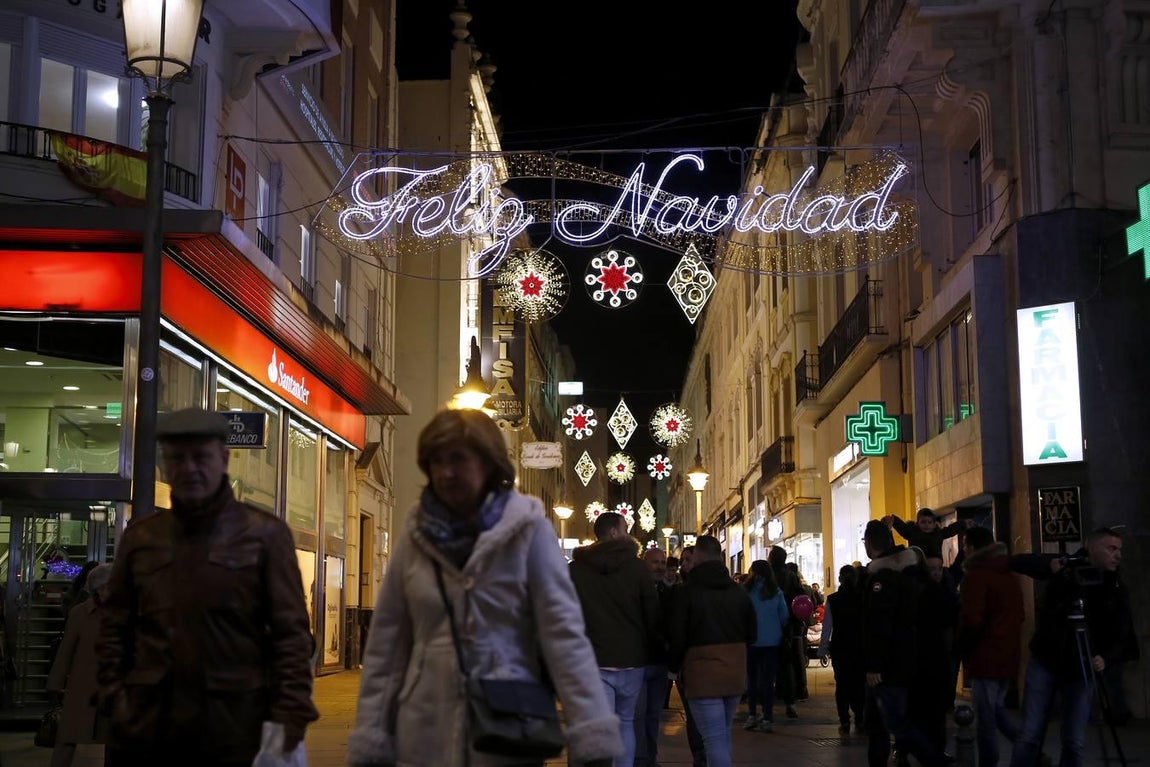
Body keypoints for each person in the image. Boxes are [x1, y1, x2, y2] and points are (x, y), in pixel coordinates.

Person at [347, 408, 621, 767]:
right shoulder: (416, 535)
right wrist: (372, 733)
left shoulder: (528, 531)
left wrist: (590, 727)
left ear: (489, 463)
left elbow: (563, 635)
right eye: (436, 461)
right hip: (424, 731)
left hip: (506, 728)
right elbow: (387, 643)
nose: (445, 472)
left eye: (458, 459)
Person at [97, 408, 318, 767]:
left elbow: (290, 634)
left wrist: (290, 713)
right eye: (177, 459)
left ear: (224, 458)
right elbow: (114, 626)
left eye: (201, 457)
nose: (188, 469)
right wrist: (115, 696)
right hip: (150, 725)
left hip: (236, 727)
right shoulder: (142, 537)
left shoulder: (264, 534)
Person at [1008, 527, 1137, 767]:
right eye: (1111, 549)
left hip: (1082, 666)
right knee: (1029, 735)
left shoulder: (1115, 586)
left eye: (1119, 550)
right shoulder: (1068, 568)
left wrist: (1104, 658)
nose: (1117, 555)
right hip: (1047, 660)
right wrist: (1050, 567)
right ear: (1092, 548)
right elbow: (1017, 562)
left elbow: (1123, 633)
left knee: (1074, 741)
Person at [570, 512, 660, 767]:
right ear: (613, 532)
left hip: (593, 659)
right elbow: (651, 613)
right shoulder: (638, 568)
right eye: (625, 528)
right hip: (631, 658)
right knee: (626, 723)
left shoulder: (577, 569)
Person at [861, 519, 944, 767]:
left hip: (890, 663)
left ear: (869, 545)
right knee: (893, 718)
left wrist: (874, 663)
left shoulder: (882, 578)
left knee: (891, 721)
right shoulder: (915, 572)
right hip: (917, 657)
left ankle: (933, 758)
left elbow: (880, 623)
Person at [667, 535, 755, 767]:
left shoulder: (686, 593)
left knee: (713, 740)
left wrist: (673, 668)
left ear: (698, 557)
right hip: (734, 671)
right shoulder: (739, 593)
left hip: (702, 673)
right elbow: (752, 633)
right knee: (722, 735)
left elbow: (677, 636)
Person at [957, 525, 1024, 767]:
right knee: (996, 708)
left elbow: (972, 618)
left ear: (973, 548)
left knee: (986, 717)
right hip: (1007, 654)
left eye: (964, 545)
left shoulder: (977, 576)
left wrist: (962, 646)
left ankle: (992, 760)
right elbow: (1020, 615)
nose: (963, 550)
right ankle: (1028, 747)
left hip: (985, 656)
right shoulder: (1007, 575)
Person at [47, 563, 113, 767]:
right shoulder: (79, 614)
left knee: (115, 738)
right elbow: (65, 652)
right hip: (83, 686)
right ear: (99, 589)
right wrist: (55, 684)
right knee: (69, 735)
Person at [818, 564, 866, 735]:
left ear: (839, 579)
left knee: (843, 685)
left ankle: (844, 720)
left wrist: (822, 649)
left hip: (840, 648)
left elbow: (827, 627)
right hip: (860, 647)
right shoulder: (863, 598)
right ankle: (860, 716)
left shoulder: (833, 600)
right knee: (860, 684)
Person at [635, 548, 672, 767]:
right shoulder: (635, 590)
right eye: (655, 562)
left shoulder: (667, 591)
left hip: (658, 662)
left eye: (663, 562)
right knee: (638, 715)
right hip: (638, 662)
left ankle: (650, 757)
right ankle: (640, 759)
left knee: (653, 715)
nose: (660, 566)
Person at [742, 560, 789, 733]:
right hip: (772, 642)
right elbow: (784, 616)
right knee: (768, 681)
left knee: (752, 680)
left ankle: (752, 714)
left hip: (752, 642)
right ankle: (767, 716)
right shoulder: (776, 592)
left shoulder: (746, 592)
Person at [672, 544, 706, 767]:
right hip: (690, 665)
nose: (683, 565)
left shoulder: (685, 593)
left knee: (699, 717)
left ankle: (704, 758)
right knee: (696, 717)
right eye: (682, 560)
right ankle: (701, 759)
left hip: (700, 663)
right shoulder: (678, 590)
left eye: (688, 560)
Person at [768, 546, 804, 713]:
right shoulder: (791, 576)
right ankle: (790, 700)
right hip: (786, 625)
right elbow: (800, 596)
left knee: (766, 664)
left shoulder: (768, 576)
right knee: (786, 663)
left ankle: (768, 702)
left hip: (768, 624)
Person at [882, 508, 973, 560]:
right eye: (923, 522)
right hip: (917, 567)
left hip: (934, 567)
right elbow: (903, 528)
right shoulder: (913, 533)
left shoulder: (938, 534)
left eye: (929, 522)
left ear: (934, 524)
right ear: (917, 523)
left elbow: (950, 530)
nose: (926, 525)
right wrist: (894, 520)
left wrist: (963, 524)